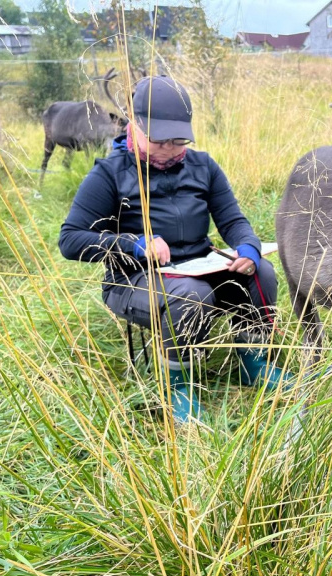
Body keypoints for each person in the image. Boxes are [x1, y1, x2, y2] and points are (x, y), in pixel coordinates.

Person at [59, 75, 289, 423]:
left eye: (179, 140)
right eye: (159, 140)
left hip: (199, 266)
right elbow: (71, 240)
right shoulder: (109, 175)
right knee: (190, 295)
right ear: (135, 125)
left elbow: (233, 220)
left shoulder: (204, 166)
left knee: (264, 273)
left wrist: (248, 248)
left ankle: (254, 361)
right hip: (134, 280)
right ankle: (178, 385)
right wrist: (134, 245)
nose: (169, 149)